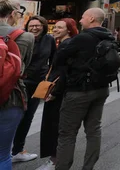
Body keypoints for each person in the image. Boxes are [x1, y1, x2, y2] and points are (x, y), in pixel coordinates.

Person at [53, 8, 114, 170]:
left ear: (91, 18)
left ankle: (62, 167)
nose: (80, 20)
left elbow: (59, 57)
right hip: (101, 89)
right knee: (94, 130)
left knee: (67, 134)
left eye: (82, 17)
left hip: (78, 91)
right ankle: (88, 167)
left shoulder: (82, 38)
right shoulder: (108, 36)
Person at [12, 15, 56, 164]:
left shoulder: (49, 40)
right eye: (31, 25)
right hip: (20, 82)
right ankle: (9, 149)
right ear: (27, 27)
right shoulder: (22, 38)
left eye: (38, 25)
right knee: (14, 115)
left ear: (43, 26)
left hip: (38, 84)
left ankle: (17, 149)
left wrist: (48, 79)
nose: (34, 28)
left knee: (27, 117)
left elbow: (53, 60)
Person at [37, 19, 78, 170]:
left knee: (53, 124)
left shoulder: (66, 46)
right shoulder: (66, 43)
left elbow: (63, 72)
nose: (55, 30)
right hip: (61, 90)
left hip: (58, 91)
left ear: (69, 30)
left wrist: (54, 92)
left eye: (60, 28)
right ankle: (55, 158)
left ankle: (54, 160)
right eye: (55, 27)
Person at [0, 0, 34, 170]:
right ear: (12, 13)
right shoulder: (25, 37)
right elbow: (21, 69)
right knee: (3, 154)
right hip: (11, 98)